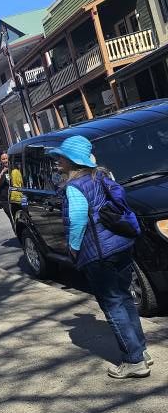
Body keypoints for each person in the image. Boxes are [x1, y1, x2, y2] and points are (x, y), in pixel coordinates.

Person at [51, 134, 152, 379]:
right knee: (124, 299)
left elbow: (76, 222)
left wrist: (73, 249)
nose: (56, 162)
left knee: (112, 304)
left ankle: (134, 360)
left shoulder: (74, 187)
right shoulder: (102, 176)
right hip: (120, 246)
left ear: (72, 161)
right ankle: (141, 350)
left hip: (98, 252)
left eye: (60, 158)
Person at [0, 150, 15, 231]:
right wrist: (2, 173)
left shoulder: (15, 167)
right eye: (3, 159)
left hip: (17, 198)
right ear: (0, 160)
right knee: (13, 219)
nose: (5, 160)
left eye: (6, 158)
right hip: (6, 200)